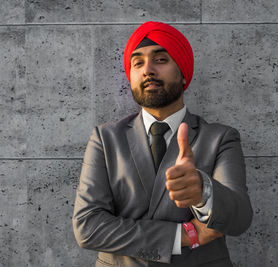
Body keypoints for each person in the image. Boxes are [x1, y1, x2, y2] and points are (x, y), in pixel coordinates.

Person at [73, 21, 253, 267]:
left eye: (160, 60)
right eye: (138, 62)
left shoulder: (220, 138)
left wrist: (204, 192)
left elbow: (239, 218)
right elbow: (88, 226)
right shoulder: (105, 138)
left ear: (183, 73)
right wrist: (184, 236)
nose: (148, 70)